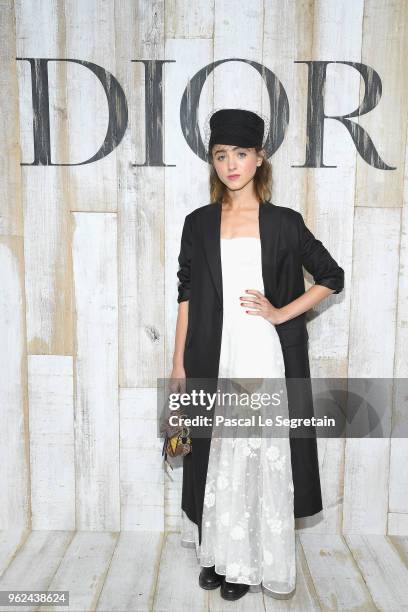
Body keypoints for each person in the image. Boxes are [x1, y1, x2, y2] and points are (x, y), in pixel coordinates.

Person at [170, 108, 344, 601]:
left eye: (240, 154)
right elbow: (186, 294)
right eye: (221, 155)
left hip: (264, 358)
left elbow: (332, 276)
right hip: (212, 354)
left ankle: (246, 564)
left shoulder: (285, 223)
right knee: (212, 454)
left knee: (255, 455)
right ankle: (218, 555)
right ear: (213, 161)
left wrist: (280, 311)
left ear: (259, 158)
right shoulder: (198, 223)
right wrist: (179, 363)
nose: (231, 164)